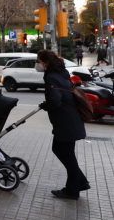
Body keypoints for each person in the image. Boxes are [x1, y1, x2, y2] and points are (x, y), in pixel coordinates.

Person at [36, 50, 90, 200]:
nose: (38, 64)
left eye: (39, 61)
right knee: (68, 154)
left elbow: (56, 100)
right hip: (71, 119)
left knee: (61, 151)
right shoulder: (62, 72)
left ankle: (77, 186)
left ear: (45, 62)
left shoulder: (51, 77)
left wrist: (47, 105)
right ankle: (74, 188)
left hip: (65, 122)